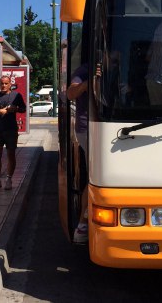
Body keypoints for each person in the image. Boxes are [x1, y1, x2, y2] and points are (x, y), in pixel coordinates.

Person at [0, 75, 26, 191]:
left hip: (11, 130)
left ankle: (9, 179)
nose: (3, 85)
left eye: (6, 83)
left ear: (10, 85)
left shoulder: (16, 95)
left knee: (10, 155)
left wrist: (15, 108)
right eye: (1, 83)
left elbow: (23, 108)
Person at [67, 63, 90, 244]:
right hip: (88, 129)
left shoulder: (122, 66)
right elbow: (70, 93)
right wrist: (88, 84)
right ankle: (82, 224)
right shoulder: (85, 70)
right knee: (97, 178)